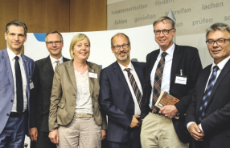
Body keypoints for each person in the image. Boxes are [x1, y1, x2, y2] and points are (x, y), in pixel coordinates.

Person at [140, 16, 202, 148]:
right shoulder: (151, 56)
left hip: (174, 121)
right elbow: (148, 88)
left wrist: (177, 108)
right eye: (157, 31)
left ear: (173, 32)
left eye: (165, 31)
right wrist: (144, 115)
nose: (161, 35)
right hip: (150, 119)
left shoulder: (189, 54)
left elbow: (198, 89)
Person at [48, 33, 107, 148]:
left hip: (91, 122)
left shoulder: (96, 69)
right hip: (67, 122)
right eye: (79, 45)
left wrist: (103, 126)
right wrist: (52, 127)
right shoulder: (61, 69)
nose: (83, 48)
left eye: (86, 45)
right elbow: (54, 99)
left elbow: (101, 100)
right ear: (72, 49)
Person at [186, 23, 230, 148]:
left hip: (223, 141)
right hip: (197, 140)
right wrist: (190, 123)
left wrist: (203, 126)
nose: (215, 45)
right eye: (210, 41)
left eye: (221, 40)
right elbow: (193, 101)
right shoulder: (204, 72)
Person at [99, 33, 145, 148]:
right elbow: (105, 102)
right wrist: (128, 119)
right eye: (117, 46)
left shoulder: (144, 67)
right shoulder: (106, 73)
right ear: (112, 49)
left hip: (145, 130)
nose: (121, 49)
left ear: (130, 46)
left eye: (124, 45)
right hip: (119, 134)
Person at [29, 31, 70, 148]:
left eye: (57, 42)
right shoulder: (36, 66)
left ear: (62, 43)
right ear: (46, 45)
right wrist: (32, 125)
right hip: (42, 125)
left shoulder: (71, 65)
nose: (54, 45)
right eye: (50, 42)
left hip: (68, 124)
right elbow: (32, 98)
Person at [0, 20, 35, 147]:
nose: (16, 38)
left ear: (25, 38)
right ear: (6, 35)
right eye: (12, 34)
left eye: (20, 35)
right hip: (2, 120)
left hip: (21, 121)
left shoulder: (29, 63)